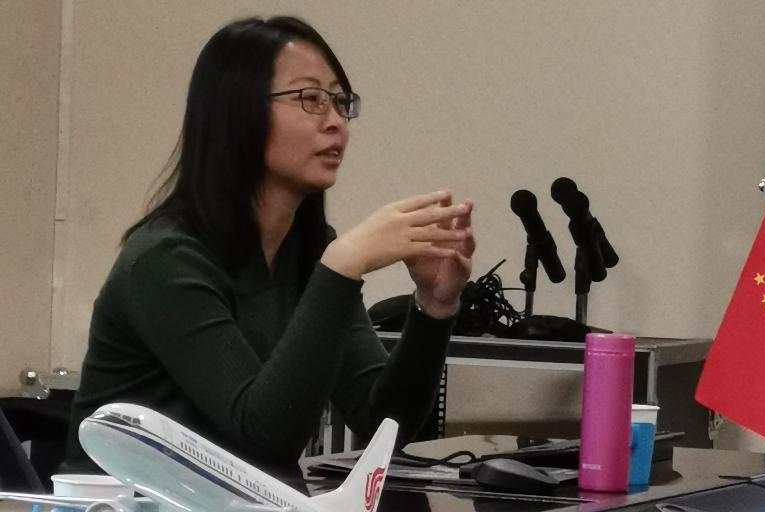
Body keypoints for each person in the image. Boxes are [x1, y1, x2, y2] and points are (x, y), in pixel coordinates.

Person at [61, 16, 475, 476]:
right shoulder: (165, 258)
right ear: (238, 113)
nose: (336, 123)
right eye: (311, 99)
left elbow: (383, 423)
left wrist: (434, 307)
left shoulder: (307, 250)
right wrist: (343, 266)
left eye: (340, 101)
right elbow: (261, 436)